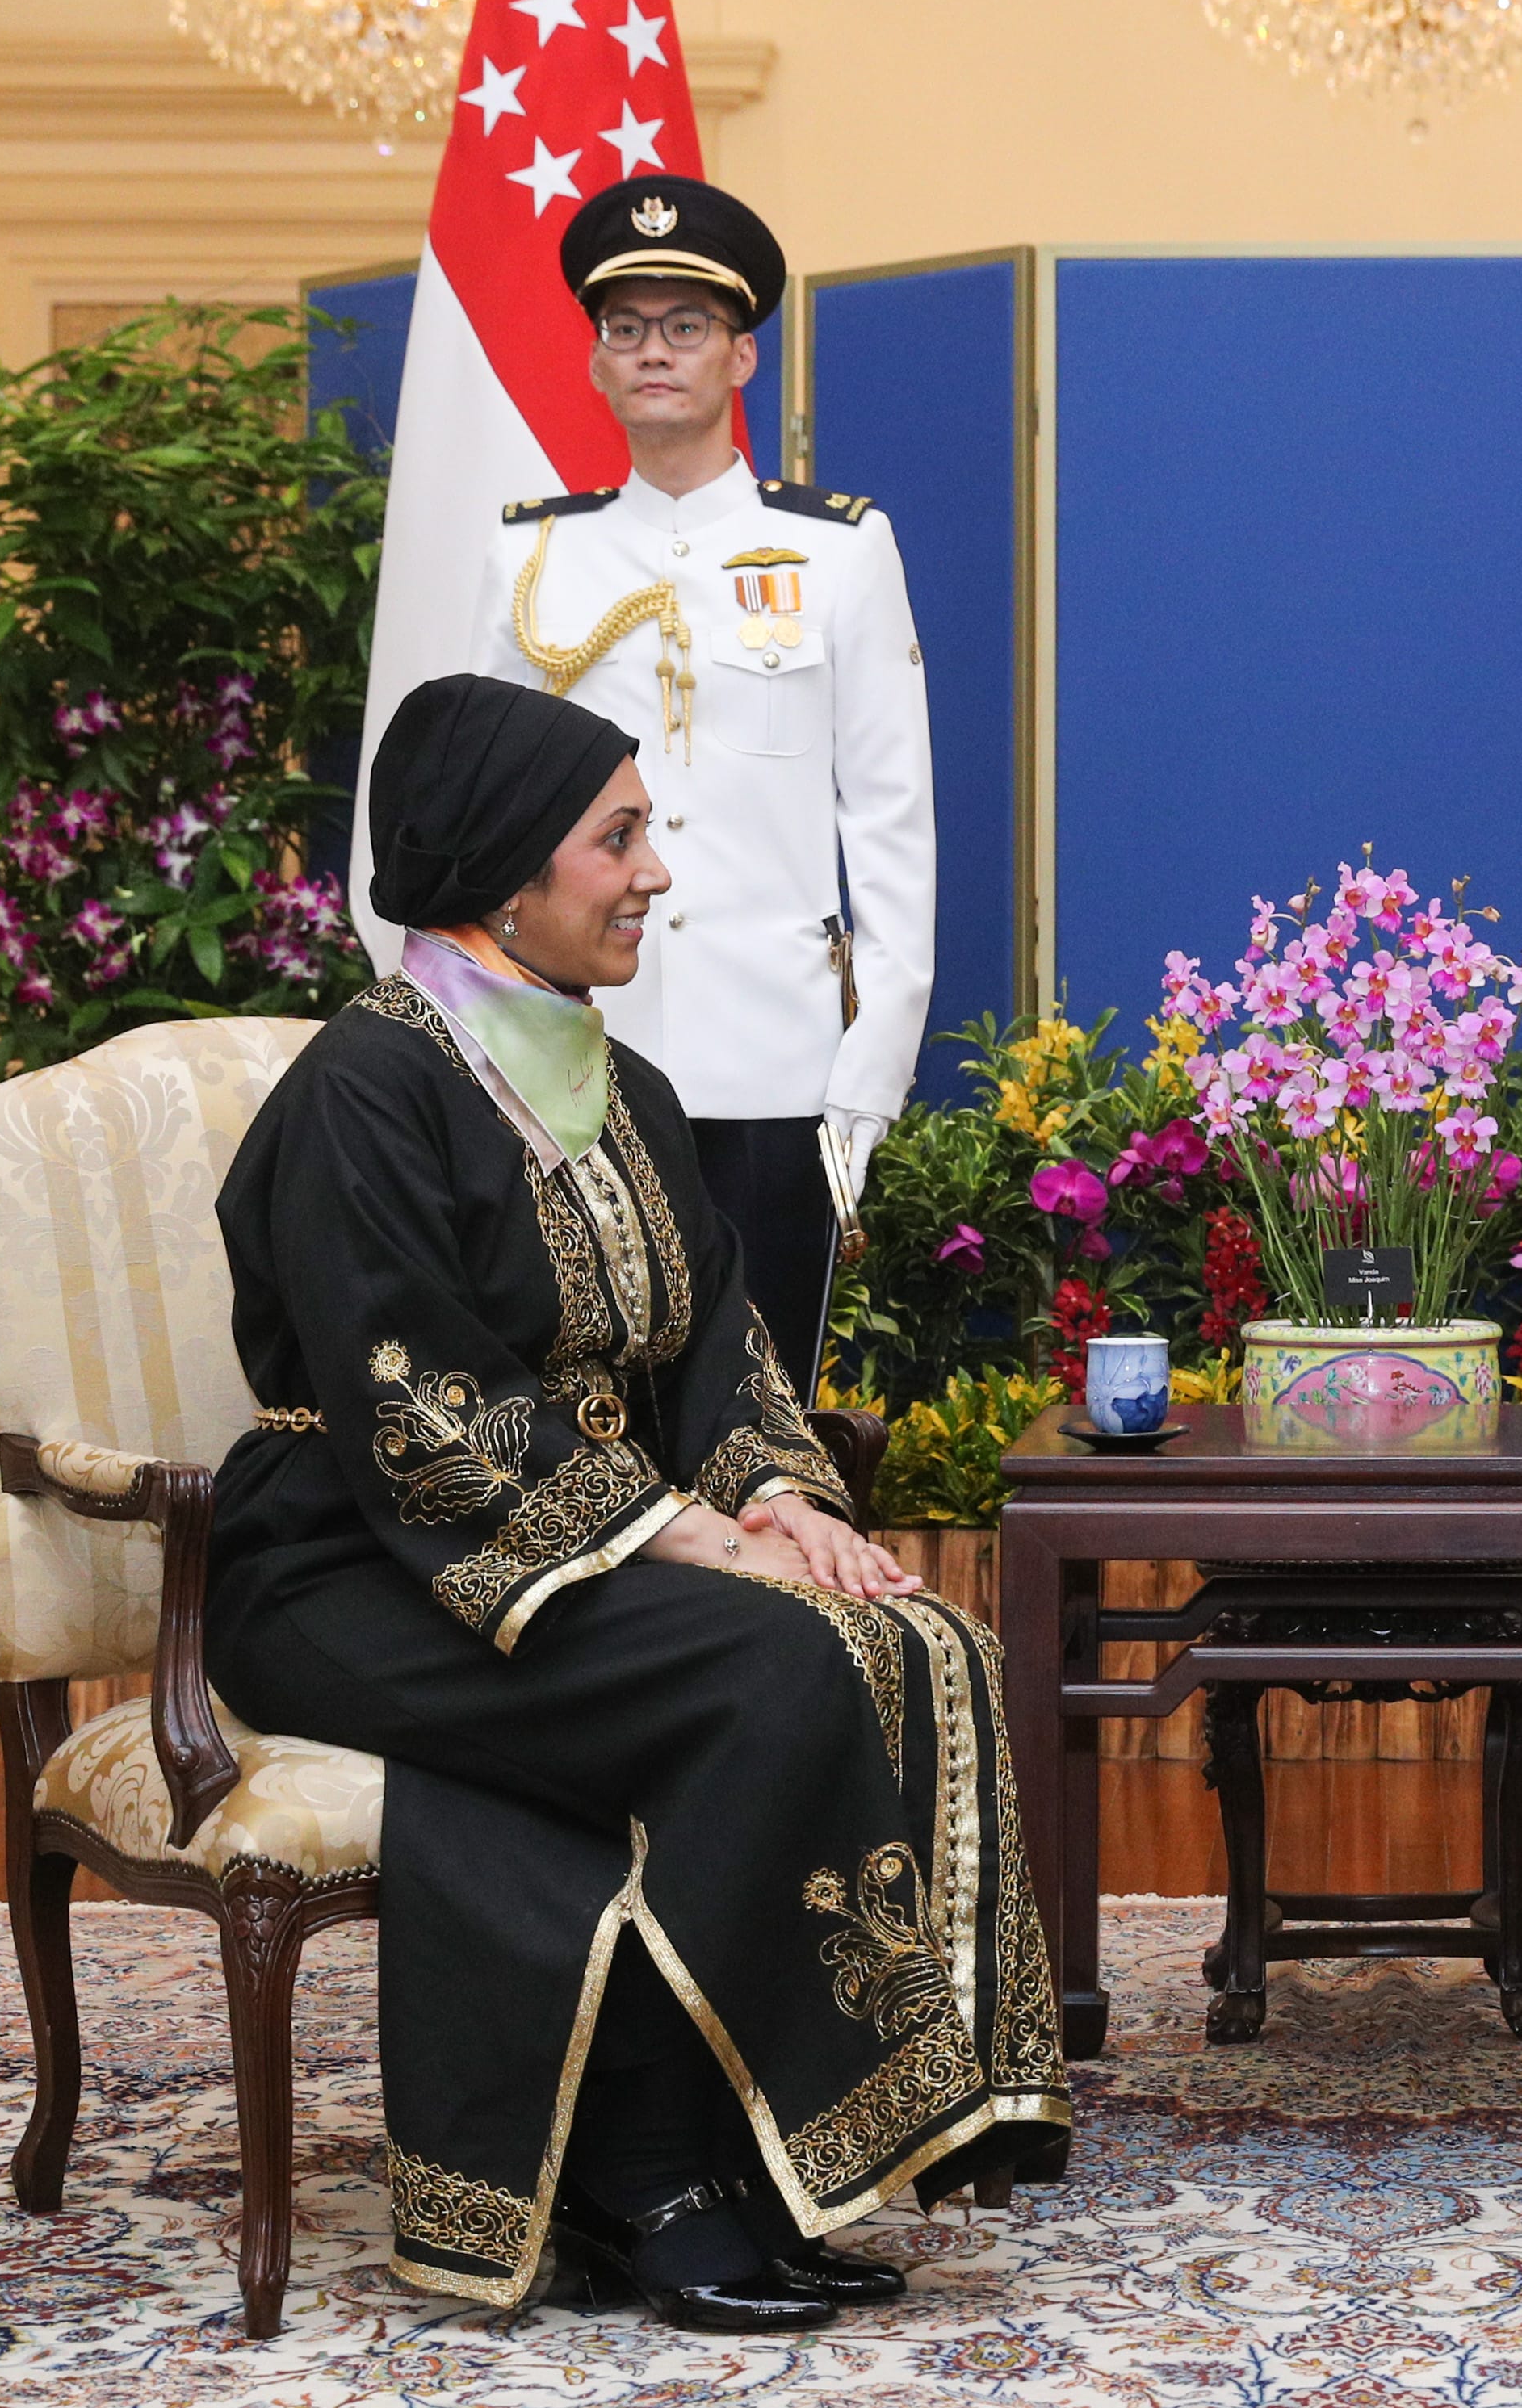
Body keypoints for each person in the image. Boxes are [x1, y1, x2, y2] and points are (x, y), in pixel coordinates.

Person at [208, 673, 1066, 2329]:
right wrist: (692, 1535)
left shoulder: (624, 1086)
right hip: (346, 1566)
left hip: (554, 1546)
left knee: (916, 1636)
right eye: (620, 835)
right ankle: (651, 2171)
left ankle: (758, 2160)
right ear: (498, 866)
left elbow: (716, 1359)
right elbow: (414, 1392)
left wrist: (782, 1503)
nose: (654, 870)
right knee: (769, 1673)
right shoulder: (364, 1088)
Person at [477, 173, 933, 1391]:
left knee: (760, 1414)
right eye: (624, 328)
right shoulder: (532, 555)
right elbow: (480, 819)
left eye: (685, 326)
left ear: (742, 354)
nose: (653, 352)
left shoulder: (839, 550)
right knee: (576, 1401)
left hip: (773, 1063)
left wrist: (866, 1077)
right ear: (594, 364)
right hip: (565, 1049)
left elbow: (889, 824)